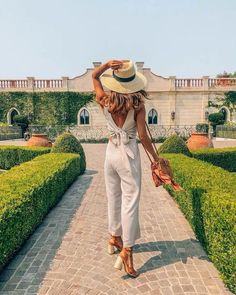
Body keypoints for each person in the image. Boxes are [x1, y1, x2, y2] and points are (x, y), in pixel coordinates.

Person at [92, 60, 159, 278]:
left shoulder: (104, 100)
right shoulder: (138, 105)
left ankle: (114, 236)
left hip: (110, 154)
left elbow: (94, 77)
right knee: (130, 202)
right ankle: (127, 250)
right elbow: (143, 137)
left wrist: (105, 66)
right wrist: (156, 159)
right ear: (133, 82)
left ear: (116, 81)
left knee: (114, 197)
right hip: (128, 156)